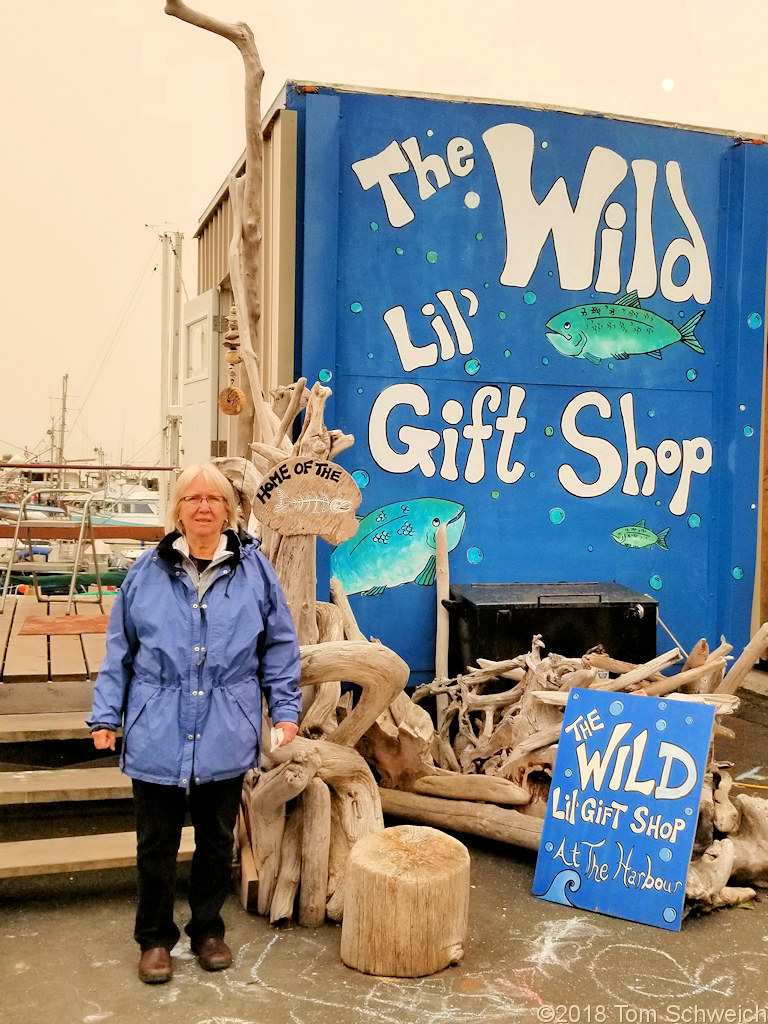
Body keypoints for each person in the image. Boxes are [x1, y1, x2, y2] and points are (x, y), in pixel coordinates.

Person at [87, 463, 302, 985]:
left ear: (229, 510)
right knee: (155, 843)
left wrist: (287, 710)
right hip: (156, 723)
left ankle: (207, 929)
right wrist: (106, 714)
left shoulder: (255, 571)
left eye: (214, 498)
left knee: (215, 837)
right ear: (177, 510)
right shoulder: (146, 571)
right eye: (192, 498)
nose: (203, 507)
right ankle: (155, 938)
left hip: (226, 723)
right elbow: (121, 650)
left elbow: (278, 644)